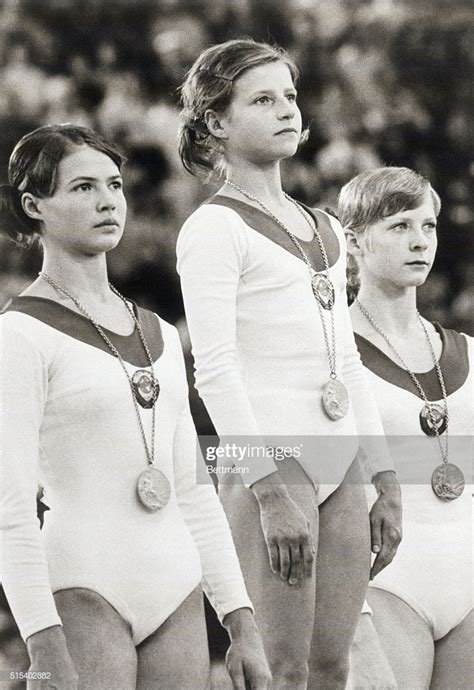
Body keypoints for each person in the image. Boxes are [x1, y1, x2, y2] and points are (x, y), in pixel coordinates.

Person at [0, 124, 271, 690]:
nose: (106, 200)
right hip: (80, 587)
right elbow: (11, 506)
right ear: (34, 206)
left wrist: (241, 621)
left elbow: (192, 491)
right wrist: (42, 643)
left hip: (175, 590)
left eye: (115, 184)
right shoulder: (19, 335)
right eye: (81, 188)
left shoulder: (162, 335)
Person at [176, 39, 402, 689]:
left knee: (334, 668)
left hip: (340, 459)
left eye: (290, 96)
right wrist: (269, 489)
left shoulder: (326, 228)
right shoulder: (215, 230)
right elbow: (214, 371)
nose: (285, 110)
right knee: (283, 673)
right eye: (262, 99)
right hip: (272, 461)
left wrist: (384, 476)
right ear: (217, 123)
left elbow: (348, 364)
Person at [338, 166, 473, 689]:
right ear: (353, 240)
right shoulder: (330, 353)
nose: (419, 241)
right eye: (399, 227)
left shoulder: (467, 352)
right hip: (385, 582)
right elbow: (248, 456)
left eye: (428, 226)